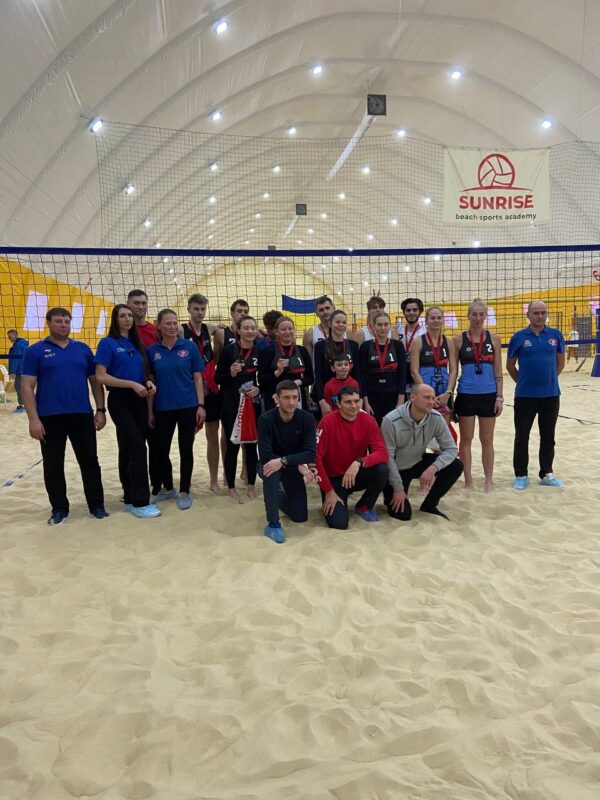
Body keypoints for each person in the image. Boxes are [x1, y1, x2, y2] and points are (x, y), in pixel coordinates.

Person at [20, 307, 108, 525]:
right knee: (53, 465)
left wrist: (100, 410)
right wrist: (33, 419)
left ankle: (96, 505)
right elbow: (27, 386)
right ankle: (59, 509)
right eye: (58, 321)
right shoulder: (35, 351)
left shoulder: (82, 349)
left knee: (90, 461)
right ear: (48, 323)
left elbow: (94, 382)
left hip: (81, 414)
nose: (63, 325)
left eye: (67, 321)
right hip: (50, 417)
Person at [95, 304, 160, 518]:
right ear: (115, 319)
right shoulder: (107, 343)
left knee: (127, 448)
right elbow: (101, 376)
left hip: (139, 400)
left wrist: (147, 382)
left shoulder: (136, 343)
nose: (127, 319)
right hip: (120, 400)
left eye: (130, 315)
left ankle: (129, 496)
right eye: (122, 315)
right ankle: (140, 502)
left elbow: (142, 373)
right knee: (139, 448)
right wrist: (131, 384)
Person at [147, 309, 206, 510]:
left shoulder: (189, 347)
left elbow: (198, 378)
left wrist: (201, 405)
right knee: (160, 451)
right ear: (159, 325)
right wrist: (150, 411)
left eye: (175, 323)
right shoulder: (152, 351)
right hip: (163, 408)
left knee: (185, 449)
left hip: (188, 406)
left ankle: (185, 491)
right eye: (168, 323)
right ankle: (168, 487)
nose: (173, 327)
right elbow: (150, 383)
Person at [382, 384, 463, 521]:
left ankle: (430, 505)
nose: (431, 401)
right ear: (412, 397)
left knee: (456, 465)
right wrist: (398, 489)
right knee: (403, 515)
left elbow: (451, 449)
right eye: (426, 397)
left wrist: (433, 468)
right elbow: (387, 458)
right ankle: (390, 493)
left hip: (417, 461)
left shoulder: (436, 418)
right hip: (397, 468)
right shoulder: (391, 420)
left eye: (433, 398)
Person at [507, 300, 565, 490]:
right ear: (528, 315)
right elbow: (510, 366)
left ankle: (546, 474)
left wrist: (548, 380)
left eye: (543, 313)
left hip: (550, 395)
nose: (540, 316)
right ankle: (521, 474)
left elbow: (560, 363)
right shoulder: (518, 337)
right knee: (522, 436)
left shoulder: (556, 335)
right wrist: (524, 382)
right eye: (536, 313)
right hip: (525, 396)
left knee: (548, 436)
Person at [314, 386, 389, 529]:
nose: (354, 405)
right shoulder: (326, 422)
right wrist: (328, 491)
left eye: (356, 401)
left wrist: (359, 462)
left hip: (355, 473)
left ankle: (364, 506)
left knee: (382, 469)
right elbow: (315, 458)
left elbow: (382, 453)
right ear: (338, 404)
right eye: (348, 402)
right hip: (334, 479)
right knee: (339, 524)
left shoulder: (369, 421)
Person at [452, 299, 504, 492]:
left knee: (487, 440)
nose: (477, 318)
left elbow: (498, 370)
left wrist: (499, 396)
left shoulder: (494, 338)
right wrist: (450, 394)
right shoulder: (458, 340)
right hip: (466, 394)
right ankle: (468, 480)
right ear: (468, 316)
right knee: (466, 439)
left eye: (481, 314)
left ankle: (488, 480)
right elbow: (453, 371)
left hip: (489, 394)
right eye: (474, 314)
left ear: (485, 316)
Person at [258, 380, 317, 543]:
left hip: (291, 465)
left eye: (294, 397)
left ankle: (277, 497)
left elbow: (310, 453)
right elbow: (265, 456)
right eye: (286, 398)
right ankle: (273, 523)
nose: (291, 402)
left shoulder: (306, 418)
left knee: (300, 516)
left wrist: (288, 462)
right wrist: (292, 463)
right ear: (277, 399)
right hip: (270, 464)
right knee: (271, 470)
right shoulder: (266, 419)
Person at [215, 315, 261, 502]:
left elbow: (264, 378)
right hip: (231, 405)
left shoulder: (260, 351)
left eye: (253, 328)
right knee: (232, 447)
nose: (250, 331)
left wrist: (259, 388)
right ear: (239, 331)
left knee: (251, 447)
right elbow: (218, 378)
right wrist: (230, 374)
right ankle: (232, 488)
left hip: (252, 405)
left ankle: (251, 486)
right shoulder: (229, 351)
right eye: (246, 328)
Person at [181, 293, 222, 493]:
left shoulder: (210, 329)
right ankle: (185, 483)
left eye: (203, 309)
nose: (199, 312)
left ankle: (214, 481)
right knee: (187, 438)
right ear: (189, 309)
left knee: (212, 437)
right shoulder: (181, 330)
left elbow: (224, 331)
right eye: (196, 308)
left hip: (211, 390)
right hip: (191, 390)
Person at [127, 289, 162, 497]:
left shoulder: (154, 330)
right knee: (129, 445)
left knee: (155, 442)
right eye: (136, 303)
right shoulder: (120, 334)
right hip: (129, 396)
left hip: (153, 393)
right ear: (128, 304)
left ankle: (156, 484)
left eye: (143, 303)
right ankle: (129, 488)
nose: (140, 307)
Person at [410, 306, 457, 429]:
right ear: (426, 320)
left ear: (443, 320)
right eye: (432, 318)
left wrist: (448, 393)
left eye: (439, 318)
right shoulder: (418, 342)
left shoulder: (449, 342)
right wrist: (427, 395)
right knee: (423, 432)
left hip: (444, 395)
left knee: (443, 433)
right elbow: (414, 372)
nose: (436, 320)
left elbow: (453, 370)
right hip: (424, 395)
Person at [359, 311, 406, 425]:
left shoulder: (398, 345)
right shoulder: (366, 346)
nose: (383, 328)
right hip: (372, 396)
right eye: (379, 325)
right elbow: (361, 376)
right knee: (374, 430)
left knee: (391, 431)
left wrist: (400, 402)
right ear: (373, 327)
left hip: (393, 396)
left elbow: (402, 374)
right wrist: (366, 402)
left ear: (390, 326)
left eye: (386, 324)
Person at [258, 316, 313, 411]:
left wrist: (299, 382)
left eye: (290, 329)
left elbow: (310, 378)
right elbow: (261, 380)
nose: (287, 332)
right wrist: (277, 372)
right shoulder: (268, 351)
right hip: (274, 398)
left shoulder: (302, 350)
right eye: (283, 329)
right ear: (276, 331)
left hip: (296, 397)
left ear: (294, 330)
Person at [313, 310, 360, 416]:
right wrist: (321, 400)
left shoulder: (353, 346)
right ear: (330, 323)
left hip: (349, 396)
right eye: (337, 322)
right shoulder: (320, 346)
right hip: (328, 396)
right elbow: (318, 375)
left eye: (344, 322)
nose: (341, 325)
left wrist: (360, 398)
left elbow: (357, 374)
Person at [397, 298, 426, 393]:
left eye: (415, 310)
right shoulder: (396, 331)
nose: (411, 313)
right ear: (404, 312)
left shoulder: (426, 332)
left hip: (419, 374)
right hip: (401, 374)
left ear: (420, 311)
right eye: (408, 310)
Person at [302, 294, 336, 361]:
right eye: (321, 310)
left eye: (327, 308)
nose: (325, 312)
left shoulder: (346, 332)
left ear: (334, 308)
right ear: (316, 313)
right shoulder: (309, 334)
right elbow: (308, 361)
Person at [7, 329, 29, 412]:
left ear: (15, 335)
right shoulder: (21, 344)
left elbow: (16, 359)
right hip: (24, 369)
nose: (9, 338)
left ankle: (21, 406)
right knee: (23, 387)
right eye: (8, 337)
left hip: (20, 370)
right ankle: (25, 405)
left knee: (19, 387)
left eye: (10, 336)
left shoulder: (18, 345)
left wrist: (13, 371)